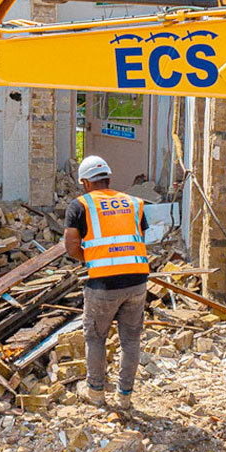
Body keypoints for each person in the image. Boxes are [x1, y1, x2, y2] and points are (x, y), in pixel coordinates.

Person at [64, 155, 150, 411]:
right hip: (136, 281)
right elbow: (140, 239)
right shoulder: (134, 203)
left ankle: (97, 393)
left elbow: (70, 247)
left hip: (102, 284)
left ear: (85, 182)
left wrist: (92, 260)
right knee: (131, 340)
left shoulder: (80, 205)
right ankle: (124, 396)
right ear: (109, 178)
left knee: (96, 338)